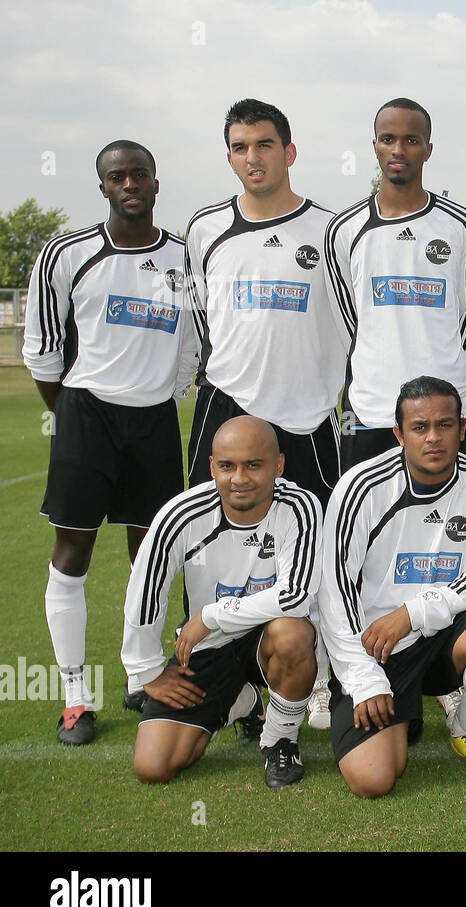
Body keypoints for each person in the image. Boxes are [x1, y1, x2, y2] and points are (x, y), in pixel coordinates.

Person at [23, 140, 191, 744]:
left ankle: (143, 675)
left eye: (138, 174)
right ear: (102, 187)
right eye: (116, 177)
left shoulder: (183, 256)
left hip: (153, 422)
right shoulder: (66, 254)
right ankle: (74, 694)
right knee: (73, 556)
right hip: (85, 416)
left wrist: (154, 400)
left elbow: (188, 349)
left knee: (150, 560)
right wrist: (73, 414)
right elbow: (41, 351)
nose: (129, 185)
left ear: (154, 180)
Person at [317, 377, 466, 798]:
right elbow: (332, 592)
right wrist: (364, 679)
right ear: (398, 434)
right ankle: (399, 706)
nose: (434, 438)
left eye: (445, 425)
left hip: (445, 634)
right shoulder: (360, 488)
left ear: (463, 430)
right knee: (374, 779)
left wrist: (412, 612)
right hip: (378, 646)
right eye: (419, 427)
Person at [122, 417, 320, 789]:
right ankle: (241, 702)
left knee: (293, 633)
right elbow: (145, 590)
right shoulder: (181, 514)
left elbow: (296, 595)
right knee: (155, 766)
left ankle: (280, 739)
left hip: (270, 640)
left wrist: (213, 615)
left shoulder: (300, 506)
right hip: (210, 647)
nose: (239, 478)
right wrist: (146, 671)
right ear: (212, 466)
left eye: (253, 465)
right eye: (227, 466)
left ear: (278, 465)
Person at [182, 98, 347, 509]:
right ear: (230, 158)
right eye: (240, 148)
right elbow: (202, 318)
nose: (252, 158)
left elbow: (349, 323)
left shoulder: (331, 231)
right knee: (214, 541)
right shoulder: (205, 228)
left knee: (315, 544)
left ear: (288, 152)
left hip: (308, 413)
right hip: (226, 403)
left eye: (264, 145)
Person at [325, 97, 466, 472]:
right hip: (371, 410)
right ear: (375, 145)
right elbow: (347, 322)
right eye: (388, 138)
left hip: (446, 411)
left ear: (428, 149)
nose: (398, 149)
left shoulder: (462, 227)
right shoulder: (344, 229)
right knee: (365, 527)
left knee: (455, 525)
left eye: (412, 140)